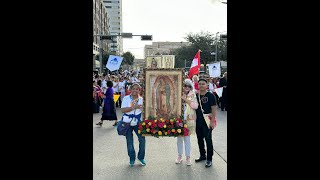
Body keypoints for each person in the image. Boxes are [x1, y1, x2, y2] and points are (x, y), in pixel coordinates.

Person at [121, 83, 146, 166]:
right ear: (130, 90)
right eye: (133, 88)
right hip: (127, 122)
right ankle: (132, 158)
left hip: (138, 122)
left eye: (137, 89)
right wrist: (133, 107)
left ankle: (141, 157)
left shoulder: (142, 99)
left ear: (139, 90)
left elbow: (146, 111)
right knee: (129, 141)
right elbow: (123, 110)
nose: (135, 90)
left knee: (142, 140)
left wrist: (143, 110)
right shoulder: (126, 98)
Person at [195, 78, 217, 168]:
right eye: (199, 84)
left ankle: (209, 159)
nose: (201, 85)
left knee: (208, 140)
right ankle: (202, 155)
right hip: (198, 121)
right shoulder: (196, 95)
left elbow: (214, 109)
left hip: (207, 121)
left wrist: (212, 122)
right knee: (200, 140)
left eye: (203, 84)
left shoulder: (211, 96)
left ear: (207, 85)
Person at [176, 79, 198, 166]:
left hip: (189, 120)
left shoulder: (193, 95)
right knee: (179, 139)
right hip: (179, 119)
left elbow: (195, 106)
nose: (186, 88)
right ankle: (179, 156)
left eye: (188, 86)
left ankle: (188, 157)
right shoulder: (178, 94)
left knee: (187, 139)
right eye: (185, 85)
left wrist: (186, 99)